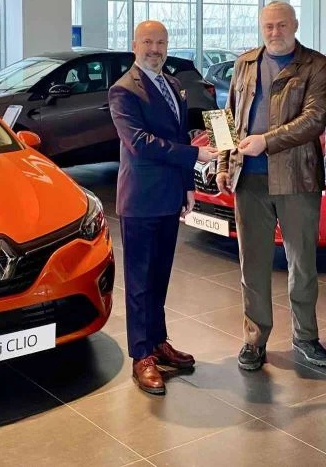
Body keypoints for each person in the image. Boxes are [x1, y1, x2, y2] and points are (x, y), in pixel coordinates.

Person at [216, 1, 326, 371]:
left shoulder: (315, 65)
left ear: (295, 25)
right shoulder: (245, 63)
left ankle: (306, 337)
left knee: (302, 263)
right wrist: (223, 163)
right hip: (248, 180)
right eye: (268, 26)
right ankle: (254, 340)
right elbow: (227, 117)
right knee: (252, 264)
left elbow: (314, 119)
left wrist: (266, 141)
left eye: (281, 25)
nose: (274, 32)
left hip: (297, 179)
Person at [109, 20, 217, 395]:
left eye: (161, 42)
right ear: (134, 45)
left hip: (170, 196)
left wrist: (188, 187)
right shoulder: (123, 90)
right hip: (140, 200)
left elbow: (177, 135)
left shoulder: (172, 84)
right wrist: (195, 155)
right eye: (148, 42)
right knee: (139, 282)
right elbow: (139, 142)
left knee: (159, 276)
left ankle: (157, 342)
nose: (155, 49)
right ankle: (141, 356)